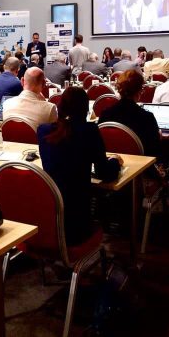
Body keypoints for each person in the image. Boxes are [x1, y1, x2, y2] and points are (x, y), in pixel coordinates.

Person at [37, 87, 121, 245]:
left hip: (49, 216)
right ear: (85, 109)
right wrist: (116, 162)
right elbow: (104, 173)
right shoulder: (89, 131)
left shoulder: (43, 130)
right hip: (78, 222)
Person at [98, 69, 161, 158]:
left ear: (119, 90)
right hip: (141, 164)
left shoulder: (105, 114)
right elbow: (154, 150)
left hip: (111, 162)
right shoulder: (147, 117)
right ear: (140, 91)